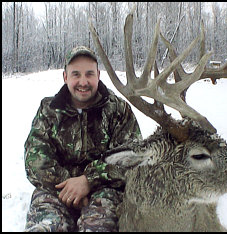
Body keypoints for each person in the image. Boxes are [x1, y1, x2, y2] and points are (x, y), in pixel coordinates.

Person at [24, 46, 142, 232]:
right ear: (65, 77)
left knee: (98, 227)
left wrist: (88, 181)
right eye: (76, 74)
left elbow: (131, 160)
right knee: (44, 227)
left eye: (89, 74)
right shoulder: (49, 110)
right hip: (55, 190)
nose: (83, 81)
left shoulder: (118, 110)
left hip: (103, 193)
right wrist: (70, 187)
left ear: (98, 75)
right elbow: (35, 161)